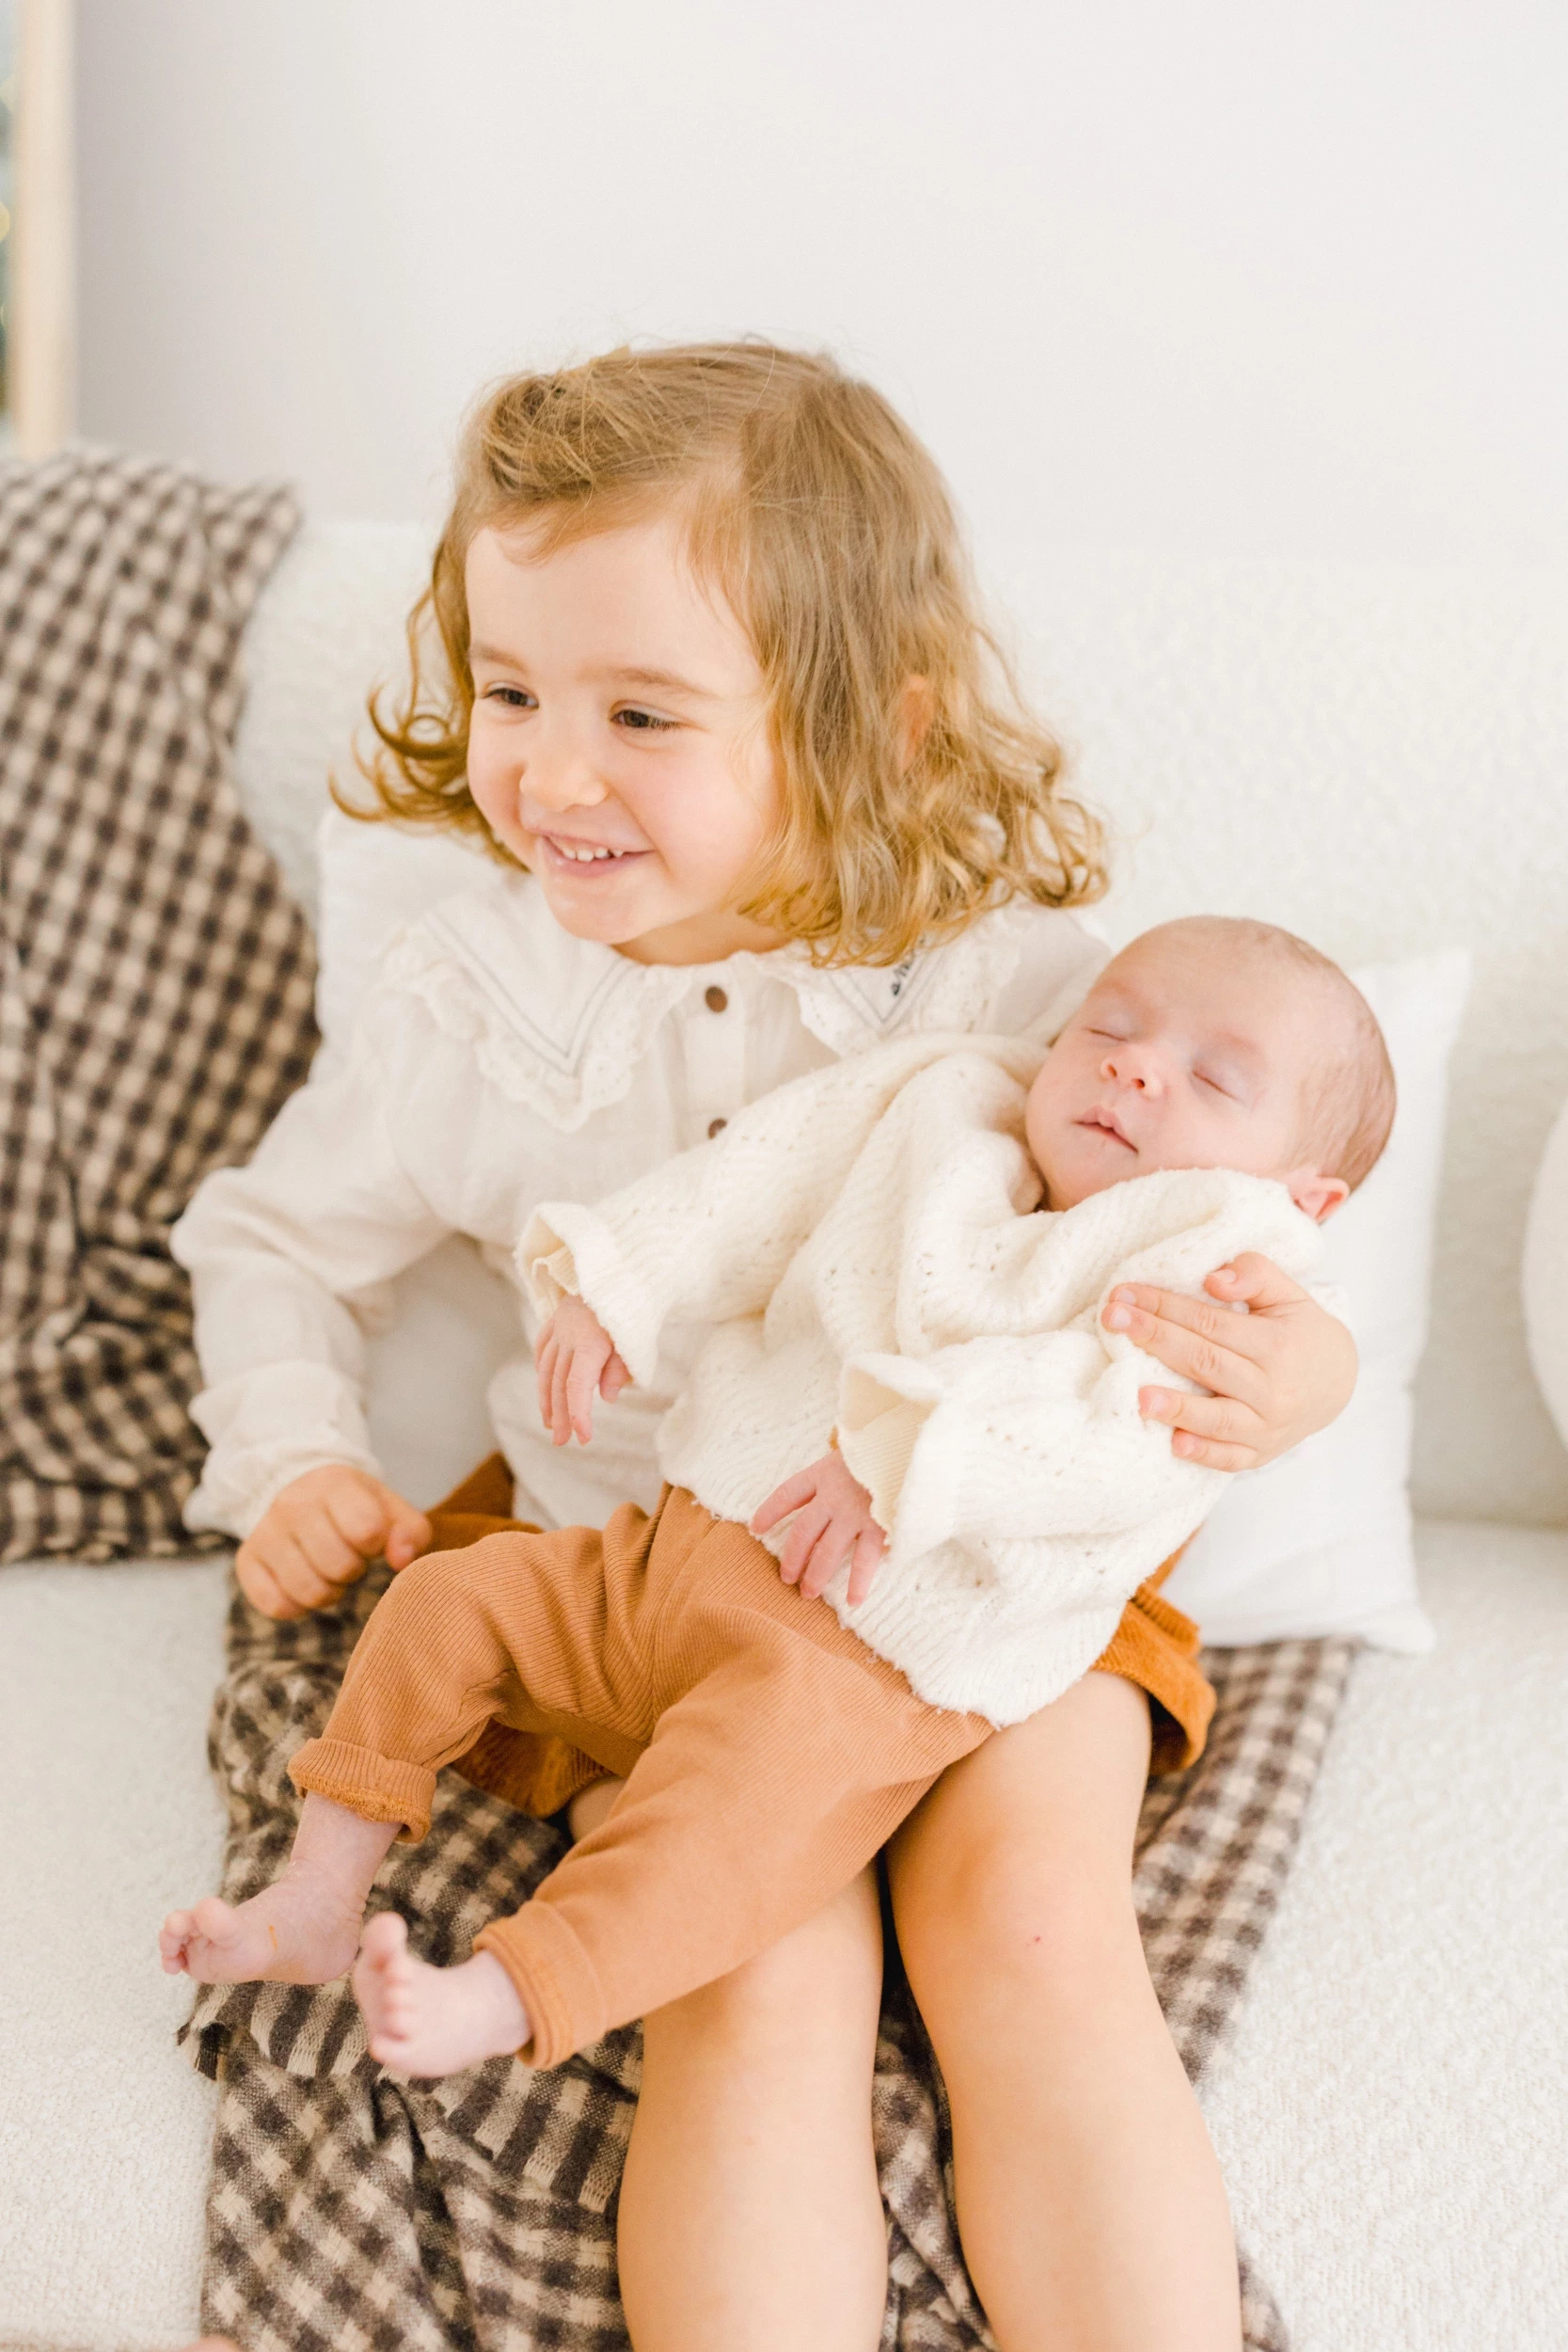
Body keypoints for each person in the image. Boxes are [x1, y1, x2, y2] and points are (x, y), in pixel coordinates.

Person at [168, 345, 1359, 2352]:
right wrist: (293, 1454)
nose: (552, 771)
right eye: (513, 688)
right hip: (664, 1586)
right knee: (747, 1962)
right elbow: (272, 1234)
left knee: (1034, 1932)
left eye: (639, 711)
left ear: (863, 723)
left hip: (1000, 1581)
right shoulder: (472, 998)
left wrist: (1298, 1377)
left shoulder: (1007, 969)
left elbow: (1226, 1224)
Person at [161, 915, 1392, 2096]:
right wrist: (621, 1280)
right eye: (1109, 1023)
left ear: (1302, 1199)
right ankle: (318, 1891)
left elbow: (1101, 1432)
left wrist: (901, 1460)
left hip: (850, 1666)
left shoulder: (1212, 1285)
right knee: (446, 1599)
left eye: (1213, 1080)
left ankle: (512, 1992)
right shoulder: (951, 1105)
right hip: (659, 1564)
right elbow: (765, 1170)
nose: (1132, 1064)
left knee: (718, 1839)